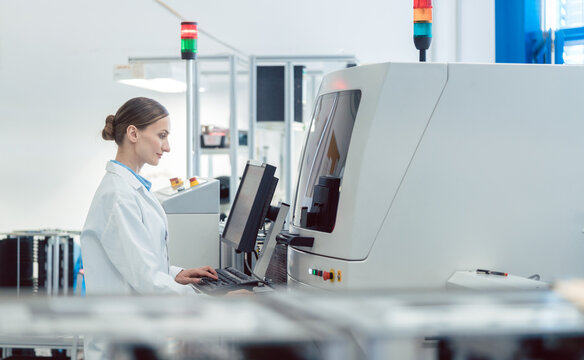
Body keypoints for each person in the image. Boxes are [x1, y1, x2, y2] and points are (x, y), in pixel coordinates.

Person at [81, 97, 218, 296]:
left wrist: (174, 274)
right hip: (126, 321)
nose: (167, 147)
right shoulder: (119, 196)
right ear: (133, 133)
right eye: (162, 136)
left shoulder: (132, 188)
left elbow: (139, 265)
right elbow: (148, 281)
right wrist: (215, 301)